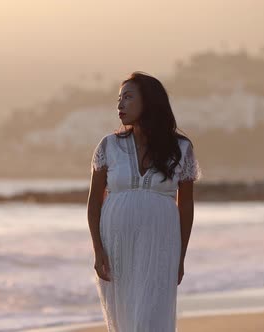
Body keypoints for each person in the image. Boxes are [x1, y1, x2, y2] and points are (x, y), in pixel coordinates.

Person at [87, 71, 202, 331]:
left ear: (149, 102)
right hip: (116, 247)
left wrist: (180, 256)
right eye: (118, 98)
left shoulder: (181, 148)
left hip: (161, 245)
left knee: (152, 318)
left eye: (128, 97)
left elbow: (185, 206)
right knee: (124, 319)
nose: (120, 105)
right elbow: (94, 204)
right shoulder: (108, 146)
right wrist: (97, 250)